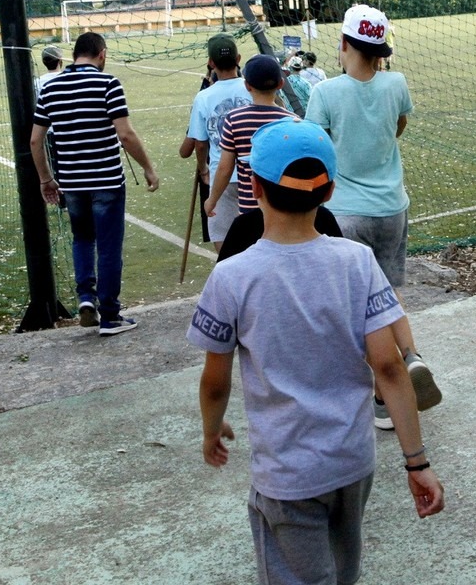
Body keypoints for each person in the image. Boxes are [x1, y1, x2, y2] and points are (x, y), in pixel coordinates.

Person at [190, 118, 445, 585]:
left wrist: (212, 431)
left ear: (253, 186)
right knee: (342, 571)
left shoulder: (230, 277)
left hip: (286, 474)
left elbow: (214, 380)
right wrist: (417, 462)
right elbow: (389, 367)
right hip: (353, 462)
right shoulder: (358, 262)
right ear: (328, 193)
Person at [305, 4, 441, 428]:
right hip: (391, 209)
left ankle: (383, 394)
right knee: (388, 294)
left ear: (344, 44)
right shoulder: (395, 83)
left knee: (358, 309)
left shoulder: (325, 93)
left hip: (344, 213)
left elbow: (315, 147)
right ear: (381, 49)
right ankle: (411, 356)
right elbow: (397, 126)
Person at [31, 32, 159, 335]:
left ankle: (86, 298)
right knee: (109, 247)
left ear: (74, 55)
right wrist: (149, 168)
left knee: (83, 239)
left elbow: (36, 140)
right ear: (101, 54)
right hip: (106, 181)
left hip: (72, 183)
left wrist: (46, 179)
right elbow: (125, 135)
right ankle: (110, 315)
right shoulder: (108, 84)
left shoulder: (51, 87)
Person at [180, 34, 251, 254]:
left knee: (223, 239)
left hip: (223, 176)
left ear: (211, 63)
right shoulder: (252, 88)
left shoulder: (204, 97)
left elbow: (200, 144)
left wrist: (203, 169)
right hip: (255, 174)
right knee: (255, 235)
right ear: (238, 58)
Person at [203, 54, 293, 217]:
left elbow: (225, 168)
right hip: (284, 209)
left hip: (250, 211)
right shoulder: (292, 121)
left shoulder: (234, 119)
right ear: (281, 83)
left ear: (247, 85)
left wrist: (212, 199)